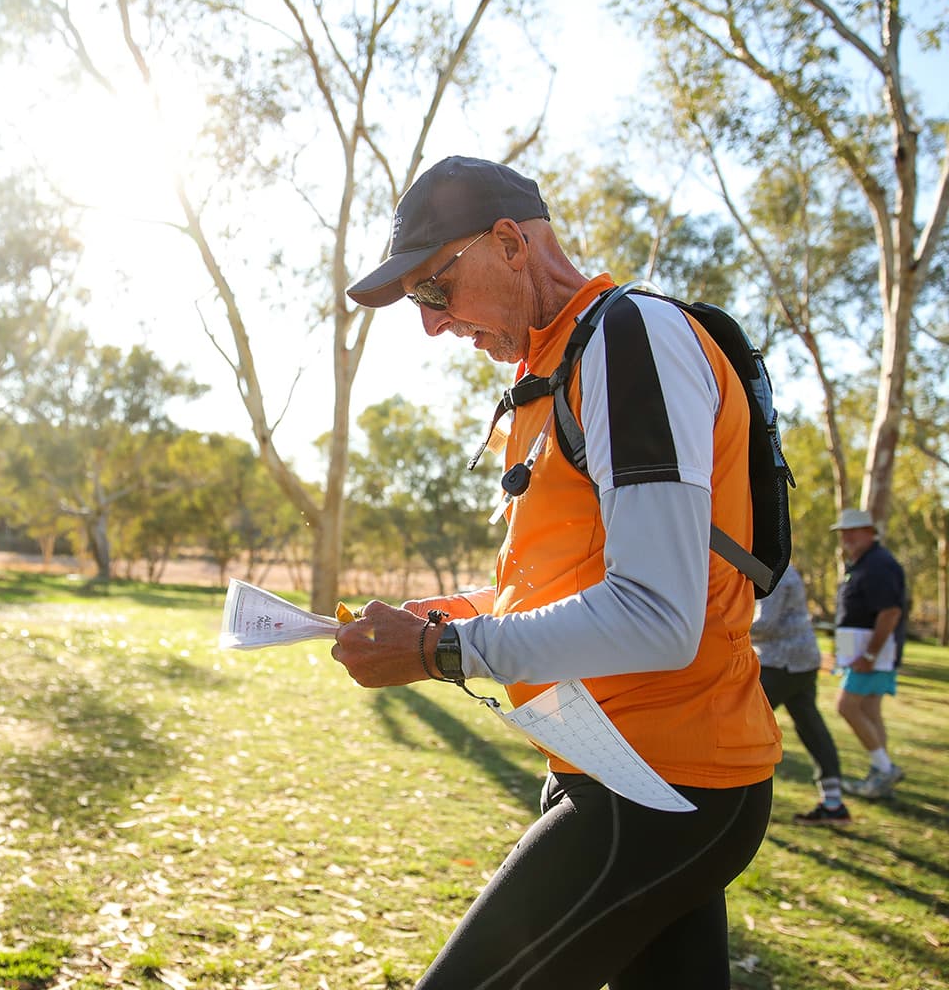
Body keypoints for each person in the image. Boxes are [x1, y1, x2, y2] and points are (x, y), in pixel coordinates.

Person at [334, 156, 780, 989]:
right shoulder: (556, 366)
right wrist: (456, 614)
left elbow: (656, 613)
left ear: (509, 242)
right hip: (611, 766)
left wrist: (444, 651)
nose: (431, 326)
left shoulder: (628, 336)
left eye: (433, 290)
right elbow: (584, 578)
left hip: (661, 783)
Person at [750, 563, 849, 825]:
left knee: (742, 721)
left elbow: (765, 624)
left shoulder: (773, 571)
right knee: (811, 727)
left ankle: (739, 799)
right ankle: (833, 801)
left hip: (783, 661)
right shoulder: (781, 568)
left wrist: (724, 620)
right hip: (800, 661)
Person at [830, 508, 907, 800]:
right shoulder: (862, 563)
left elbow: (890, 612)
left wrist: (871, 655)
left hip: (871, 656)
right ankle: (880, 773)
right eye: (843, 533)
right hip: (864, 654)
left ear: (870, 532)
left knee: (847, 706)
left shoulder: (878, 565)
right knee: (870, 710)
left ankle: (885, 769)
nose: (847, 537)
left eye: (854, 530)